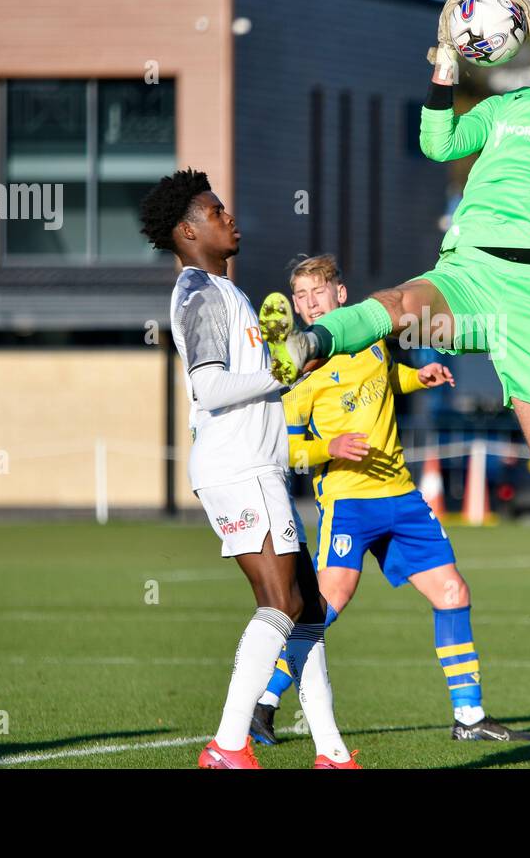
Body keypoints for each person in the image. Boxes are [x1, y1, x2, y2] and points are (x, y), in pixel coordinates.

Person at [259, 0, 530, 669]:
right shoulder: (506, 104)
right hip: (471, 272)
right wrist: (442, 68)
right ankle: (308, 341)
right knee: (398, 305)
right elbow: (438, 142)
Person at [250, 254, 530, 744]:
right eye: (300, 296)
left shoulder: (372, 339)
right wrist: (329, 447)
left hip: (402, 497)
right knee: (328, 601)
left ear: (341, 296)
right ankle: (264, 703)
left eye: (317, 291)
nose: (308, 303)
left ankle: (469, 717)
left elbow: (385, 376)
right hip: (348, 502)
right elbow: (284, 448)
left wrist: (417, 378)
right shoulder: (299, 373)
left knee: (453, 594)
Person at [139, 168, 359, 769]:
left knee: (307, 607)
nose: (228, 217)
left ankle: (332, 754)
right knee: (283, 605)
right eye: (215, 211)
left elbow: (254, 388)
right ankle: (229, 745)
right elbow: (208, 388)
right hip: (238, 469)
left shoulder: (226, 290)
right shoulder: (199, 293)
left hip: (258, 467)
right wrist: (285, 368)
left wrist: (282, 367)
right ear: (187, 230)